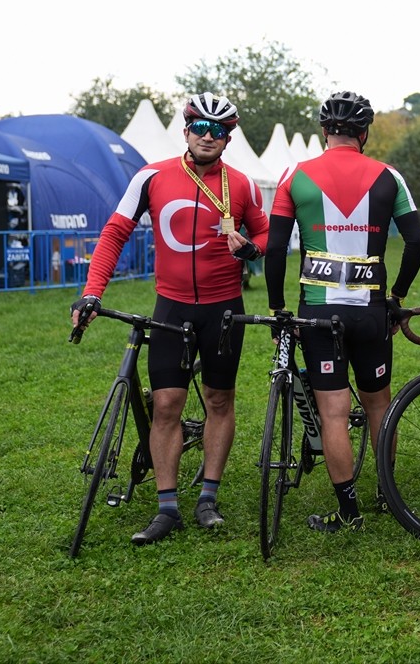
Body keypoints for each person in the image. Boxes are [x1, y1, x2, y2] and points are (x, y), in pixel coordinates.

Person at [70, 92, 269, 545]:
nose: (208, 136)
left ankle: (208, 499)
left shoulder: (242, 185)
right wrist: (91, 293)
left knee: (219, 400)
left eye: (218, 131)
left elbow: (265, 229)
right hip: (171, 307)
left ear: (229, 138)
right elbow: (115, 231)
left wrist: (253, 247)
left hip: (223, 309)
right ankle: (167, 508)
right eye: (200, 127)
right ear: (185, 131)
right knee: (165, 405)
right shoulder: (152, 176)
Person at [265, 90, 420, 533]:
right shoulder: (389, 175)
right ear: (365, 133)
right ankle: (385, 493)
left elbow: (275, 247)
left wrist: (278, 307)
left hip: (317, 312)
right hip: (371, 310)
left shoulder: (295, 175)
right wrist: (396, 295)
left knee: (333, 412)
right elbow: (417, 241)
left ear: (324, 132)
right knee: (378, 404)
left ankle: (348, 511)